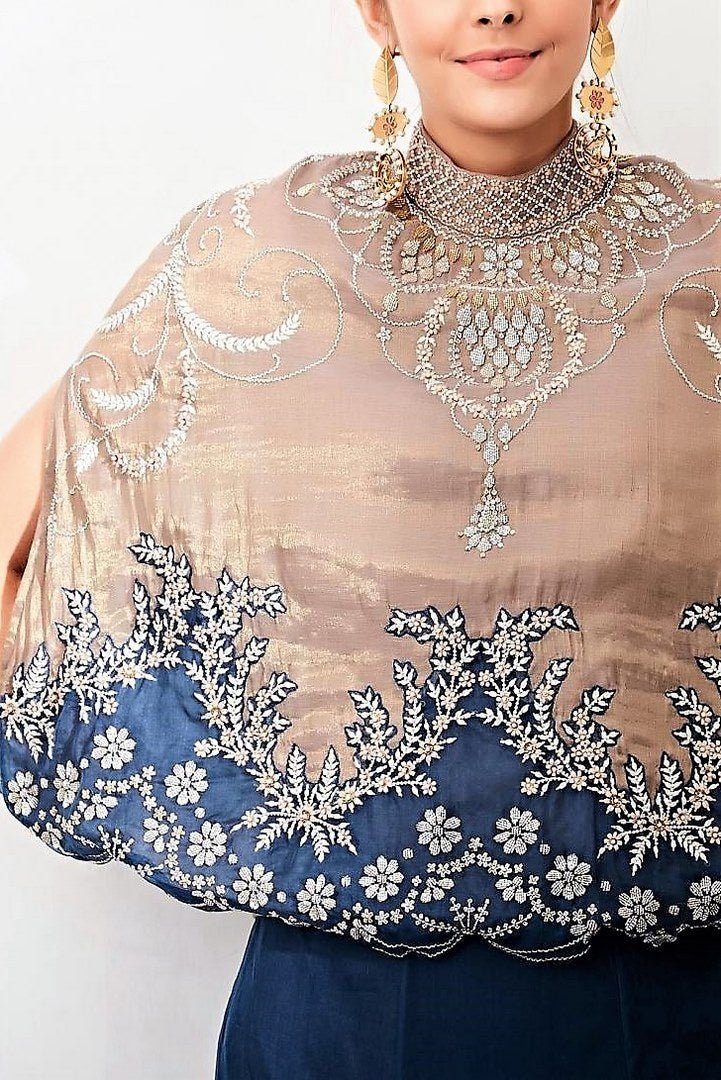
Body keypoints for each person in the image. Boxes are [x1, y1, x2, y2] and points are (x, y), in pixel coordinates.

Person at [2, 0, 721, 1076]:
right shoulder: (254, 266)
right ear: (376, 11)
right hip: (337, 1011)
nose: (495, 7)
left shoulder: (704, 267)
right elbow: (30, 520)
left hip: (661, 1010)